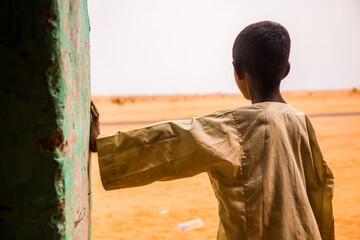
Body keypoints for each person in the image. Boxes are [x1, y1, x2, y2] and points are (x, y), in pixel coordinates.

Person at [90, 21, 334, 240]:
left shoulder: (237, 127)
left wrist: (102, 146)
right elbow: (321, 191)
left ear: (238, 70)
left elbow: (173, 142)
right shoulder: (301, 122)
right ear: (286, 70)